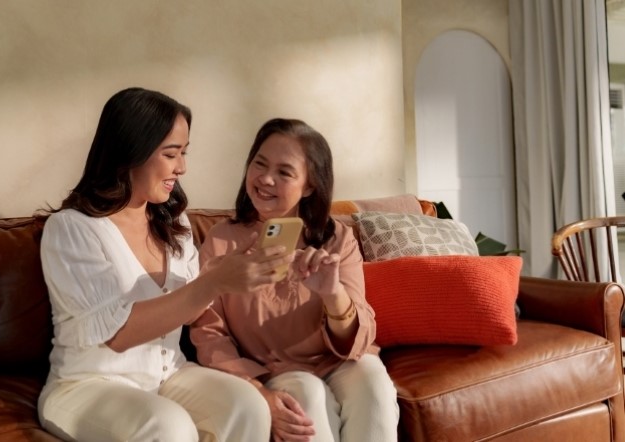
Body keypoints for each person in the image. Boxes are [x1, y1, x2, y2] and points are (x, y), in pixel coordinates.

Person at [37, 87, 290, 442]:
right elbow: (116, 335)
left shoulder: (174, 222)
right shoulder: (71, 229)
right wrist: (212, 283)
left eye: (184, 153)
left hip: (169, 375)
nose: (182, 167)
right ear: (131, 151)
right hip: (86, 386)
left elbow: (188, 313)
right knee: (169, 426)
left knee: (247, 404)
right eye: (171, 154)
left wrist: (220, 275)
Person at [190, 118, 399, 442]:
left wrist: (332, 293)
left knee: (373, 382)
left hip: (340, 362)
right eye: (260, 164)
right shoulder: (222, 241)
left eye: (284, 172)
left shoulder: (337, 239)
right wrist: (257, 389)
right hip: (275, 371)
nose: (266, 178)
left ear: (310, 186)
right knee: (306, 394)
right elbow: (209, 333)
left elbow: (360, 332)